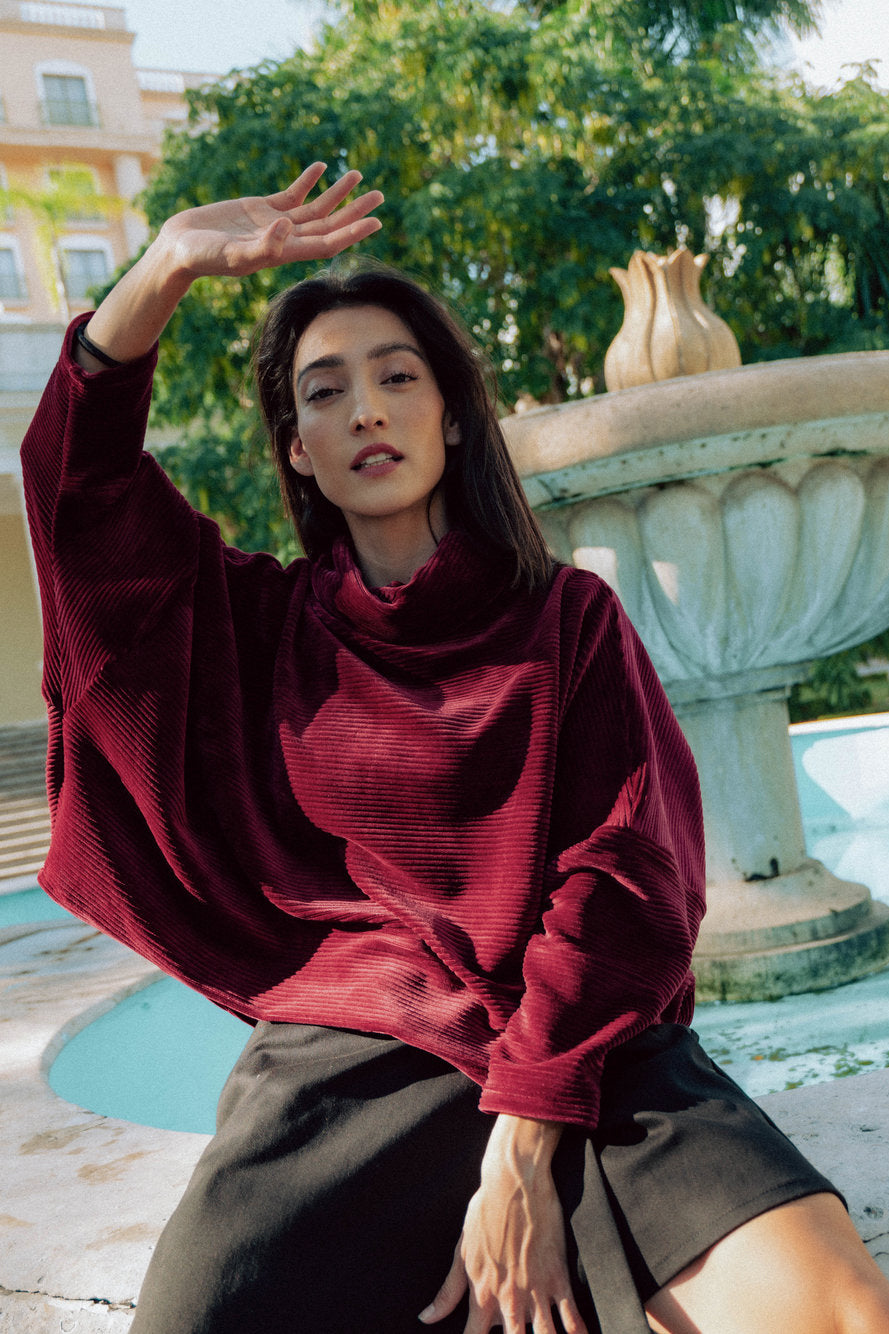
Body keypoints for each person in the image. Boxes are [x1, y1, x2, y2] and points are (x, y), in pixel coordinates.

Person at [20, 162, 889, 1334]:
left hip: (579, 1050)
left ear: (449, 410)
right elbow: (80, 492)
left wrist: (524, 1134)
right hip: (349, 1057)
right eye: (326, 392)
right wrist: (166, 263)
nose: (367, 408)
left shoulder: (566, 620)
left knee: (834, 1309)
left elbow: (627, 880)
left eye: (397, 376)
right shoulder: (255, 626)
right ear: (297, 448)